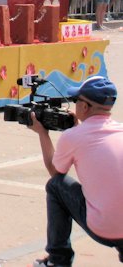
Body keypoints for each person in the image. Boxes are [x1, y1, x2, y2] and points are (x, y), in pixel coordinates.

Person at [29, 75, 123, 266]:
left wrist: (43, 133)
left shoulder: (73, 137)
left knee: (55, 186)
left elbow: (56, 173)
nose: (74, 105)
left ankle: (58, 260)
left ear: (85, 107)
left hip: (103, 229)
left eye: (76, 101)